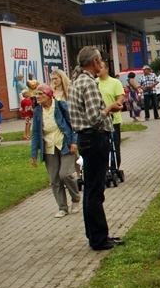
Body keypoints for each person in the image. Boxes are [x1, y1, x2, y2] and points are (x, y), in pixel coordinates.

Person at [67, 46, 124, 251]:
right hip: (94, 137)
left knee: (91, 190)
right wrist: (110, 108)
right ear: (94, 62)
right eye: (100, 60)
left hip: (85, 139)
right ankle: (100, 238)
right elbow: (95, 117)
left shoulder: (76, 81)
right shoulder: (89, 83)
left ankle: (95, 235)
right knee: (95, 191)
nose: (102, 63)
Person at [30, 84, 81, 217]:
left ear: (48, 94)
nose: (38, 97)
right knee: (54, 179)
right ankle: (62, 207)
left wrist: (74, 142)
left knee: (65, 174)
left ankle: (76, 198)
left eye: (40, 94)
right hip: (49, 148)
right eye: (36, 94)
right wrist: (33, 154)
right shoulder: (37, 111)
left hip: (65, 145)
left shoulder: (61, 106)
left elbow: (73, 124)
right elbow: (36, 133)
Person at [96, 61, 124, 169]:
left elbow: (120, 97)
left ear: (107, 69)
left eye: (101, 67)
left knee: (114, 144)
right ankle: (103, 167)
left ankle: (114, 166)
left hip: (113, 119)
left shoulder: (115, 83)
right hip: (99, 119)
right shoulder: (94, 82)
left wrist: (115, 106)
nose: (98, 69)